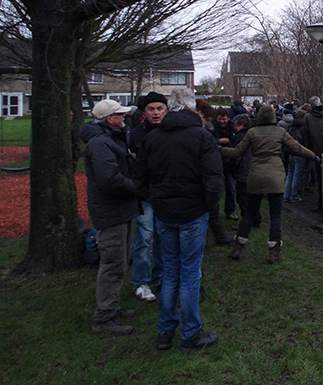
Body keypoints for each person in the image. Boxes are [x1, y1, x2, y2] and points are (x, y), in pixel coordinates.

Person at [134, 87, 222, 352]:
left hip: (166, 213)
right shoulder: (201, 137)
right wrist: (207, 206)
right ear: (191, 107)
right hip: (191, 213)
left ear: (169, 108)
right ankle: (190, 333)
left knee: (171, 272)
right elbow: (213, 179)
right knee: (189, 273)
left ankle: (165, 330)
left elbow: (140, 178)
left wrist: (157, 201)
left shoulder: (152, 139)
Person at [221, 105, 318, 262]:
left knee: (250, 214)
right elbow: (297, 147)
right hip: (275, 176)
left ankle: (238, 247)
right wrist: (313, 156)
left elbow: (237, 151)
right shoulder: (279, 132)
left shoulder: (252, 132)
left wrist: (221, 149)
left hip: (255, 176)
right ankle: (274, 253)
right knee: (275, 216)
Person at [83, 99, 143, 335]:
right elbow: (110, 179)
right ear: (110, 119)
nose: (124, 118)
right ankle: (104, 317)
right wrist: (137, 187)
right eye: (120, 115)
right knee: (112, 264)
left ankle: (112, 307)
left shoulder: (111, 140)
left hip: (120, 210)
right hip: (111, 212)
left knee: (121, 259)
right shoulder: (100, 144)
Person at [128, 92, 167, 304]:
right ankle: (140, 281)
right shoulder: (135, 135)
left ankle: (160, 276)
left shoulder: (170, 133)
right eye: (151, 109)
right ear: (145, 112)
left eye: (159, 109)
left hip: (164, 193)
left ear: (166, 110)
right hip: (144, 193)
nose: (155, 113)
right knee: (144, 237)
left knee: (163, 236)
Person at [212, 108, 238, 220]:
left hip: (230, 162)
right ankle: (214, 213)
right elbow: (208, 141)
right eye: (220, 119)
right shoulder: (211, 127)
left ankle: (230, 211)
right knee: (216, 190)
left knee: (231, 188)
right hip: (216, 161)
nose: (222, 121)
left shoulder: (232, 127)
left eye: (224, 119)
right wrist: (218, 141)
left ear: (228, 118)